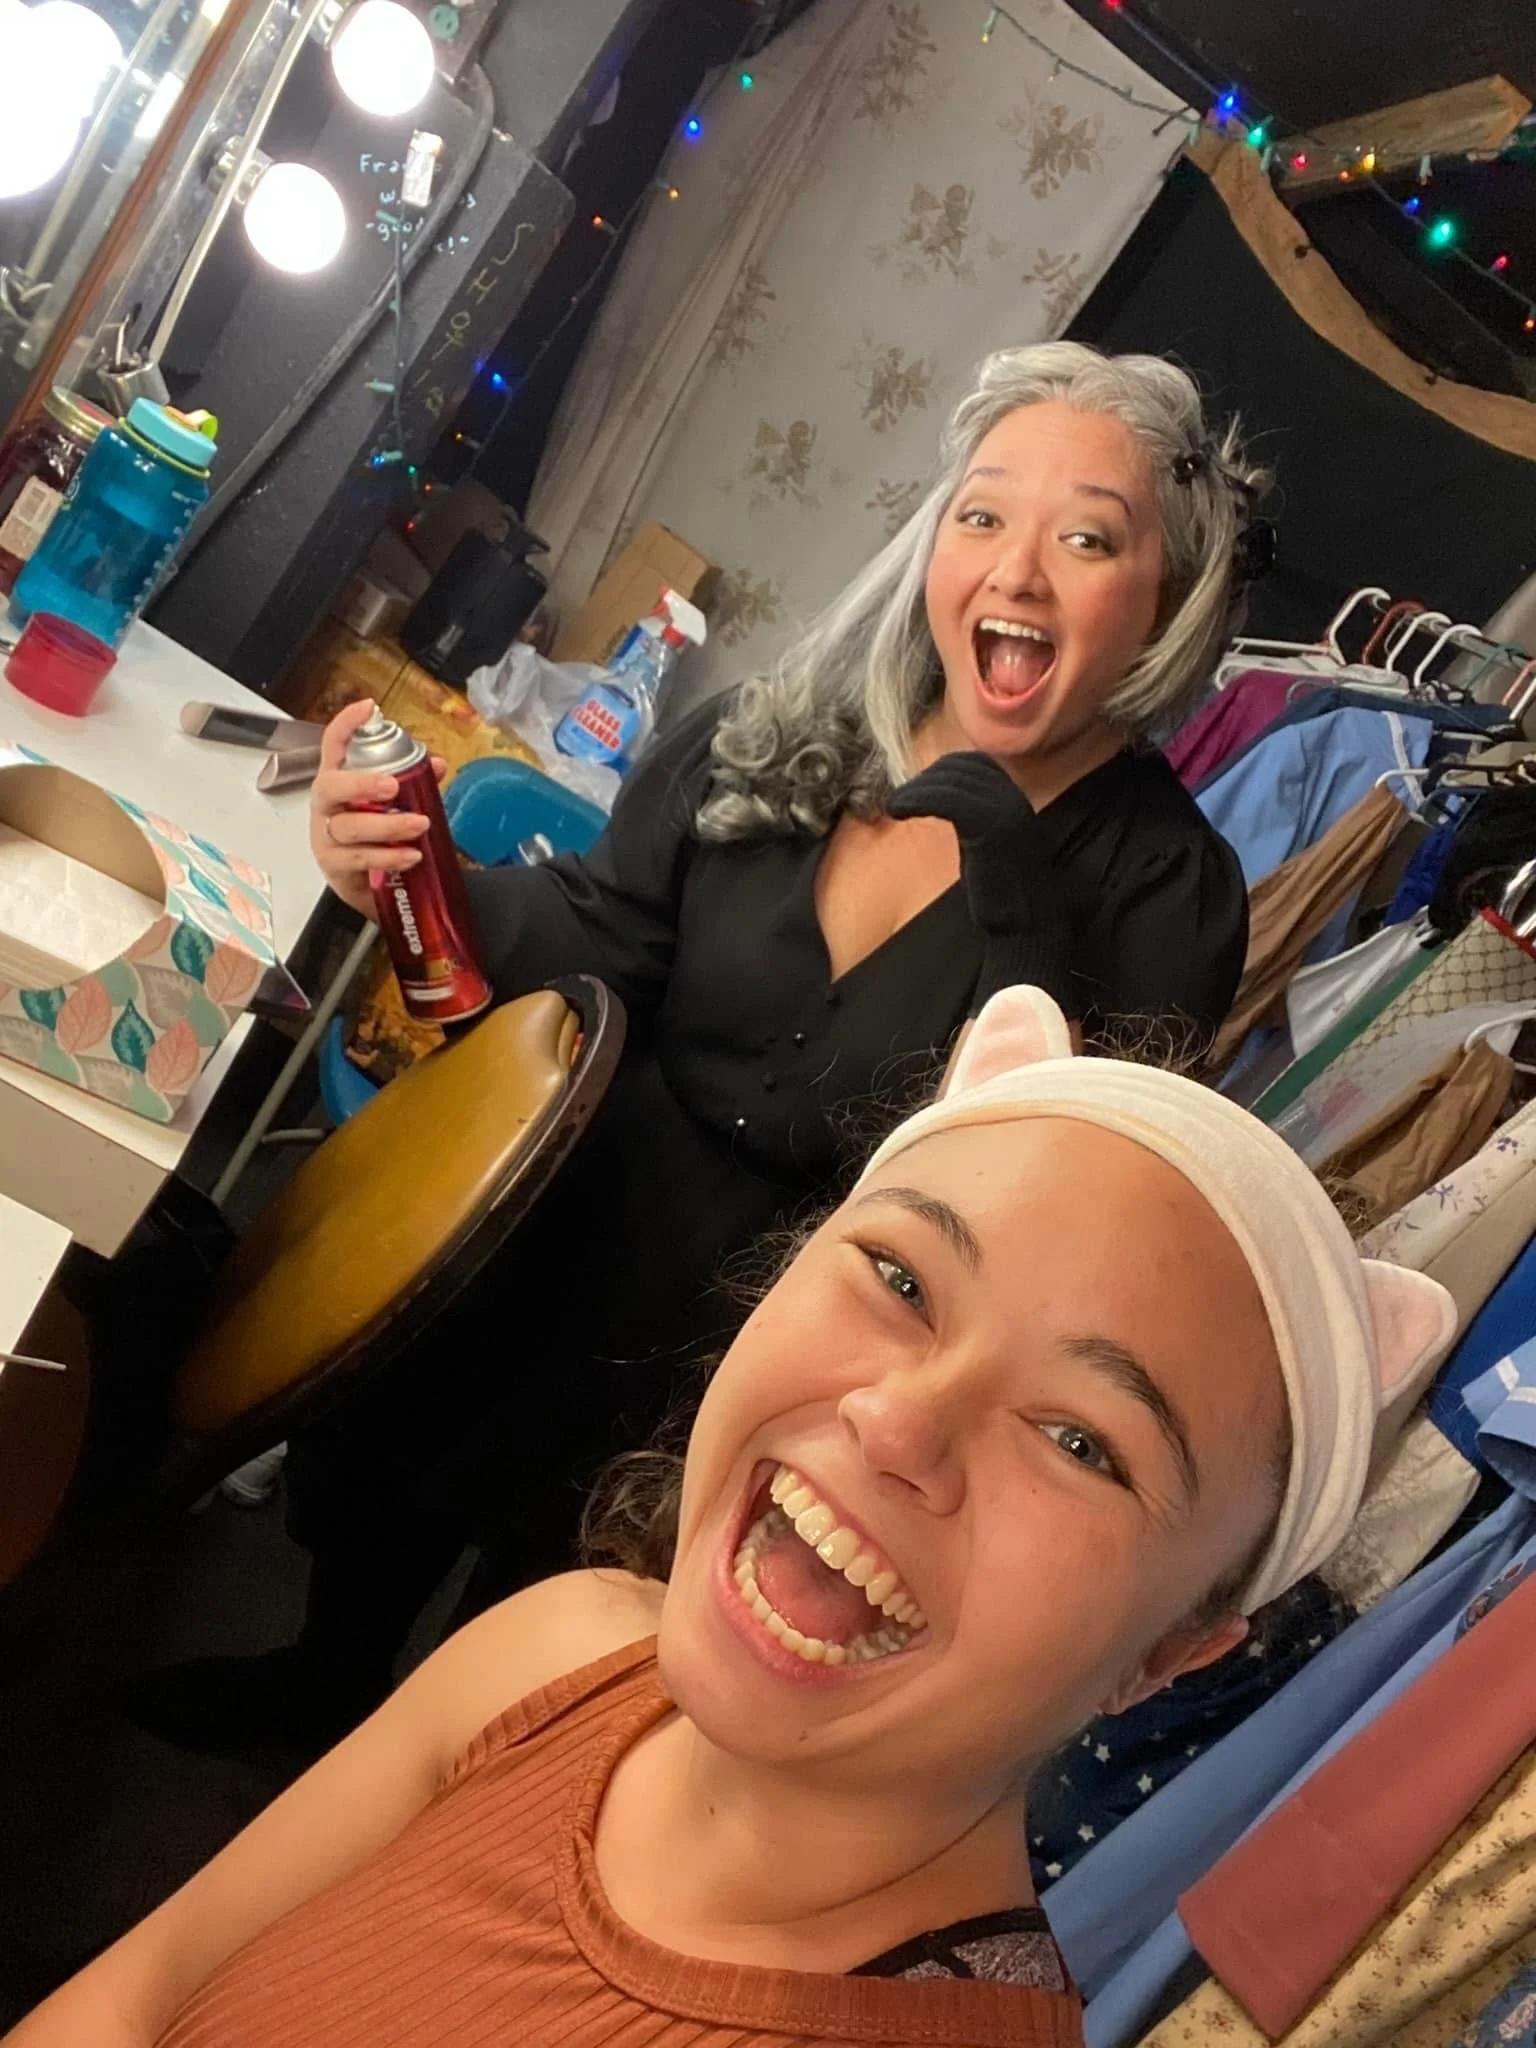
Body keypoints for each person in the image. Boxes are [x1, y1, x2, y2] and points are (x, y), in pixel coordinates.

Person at [135, 342, 1263, 1750]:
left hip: (795, 1346)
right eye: (982, 514)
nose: (1016, 571)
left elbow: (1070, 1199)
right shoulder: (780, 731)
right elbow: (603, 932)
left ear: (1166, 591)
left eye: (1087, 536)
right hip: (573, 1229)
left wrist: (1017, 902)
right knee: (394, 1506)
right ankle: (319, 1691)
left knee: (579, 1672)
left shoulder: (1174, 889)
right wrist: (414, 870)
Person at [13, 988, 1455, 2048]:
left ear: (1174, 1655)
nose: (899, 1420)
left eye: (1082, 1439)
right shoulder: (564, 1649)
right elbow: (140, 1996)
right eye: (898, 1281)